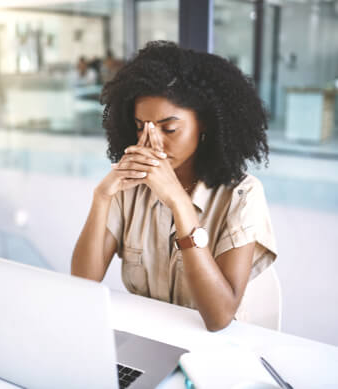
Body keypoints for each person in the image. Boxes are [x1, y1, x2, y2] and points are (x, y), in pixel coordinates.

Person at [71, 41, 277, 331]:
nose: (152, 141)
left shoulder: (243, 195)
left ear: (204, 123)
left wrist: (180, 204)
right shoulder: (128, 186)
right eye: (141, 126)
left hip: (213, 351)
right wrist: (101, 197)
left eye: (169, 129)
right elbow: (82, 284)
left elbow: (219, 318)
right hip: (147, 337)